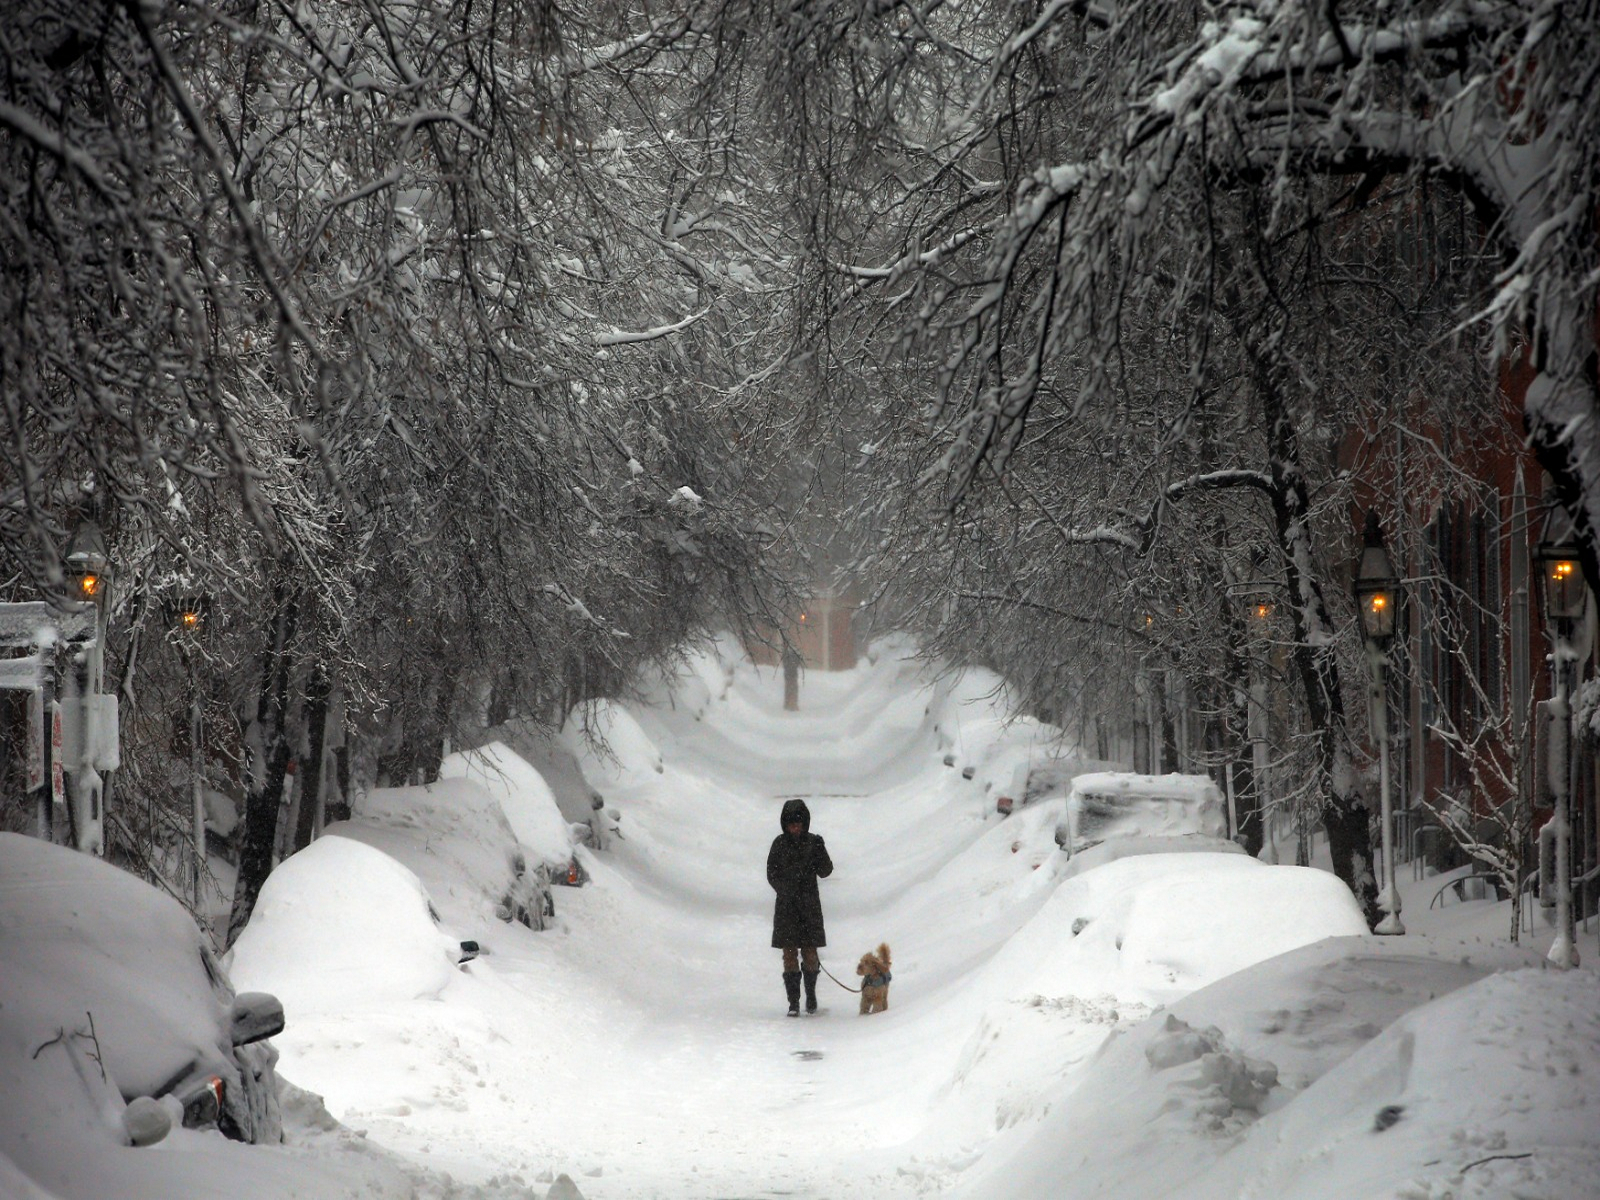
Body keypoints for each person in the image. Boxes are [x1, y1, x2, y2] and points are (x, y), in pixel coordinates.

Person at [767, 797, 833, 1016]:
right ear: (785, 825)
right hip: (786, 909)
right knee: (789, 956)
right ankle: (793, 1001)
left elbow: (826, 870)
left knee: (810, 954)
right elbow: (772, 874)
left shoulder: (813, 844)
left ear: (805, 824)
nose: (795, 828)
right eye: (791, 824)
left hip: (809, 909)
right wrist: (784, 891)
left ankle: (811, 993)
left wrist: (821, 850)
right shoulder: (778, 844)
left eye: (798, 824)